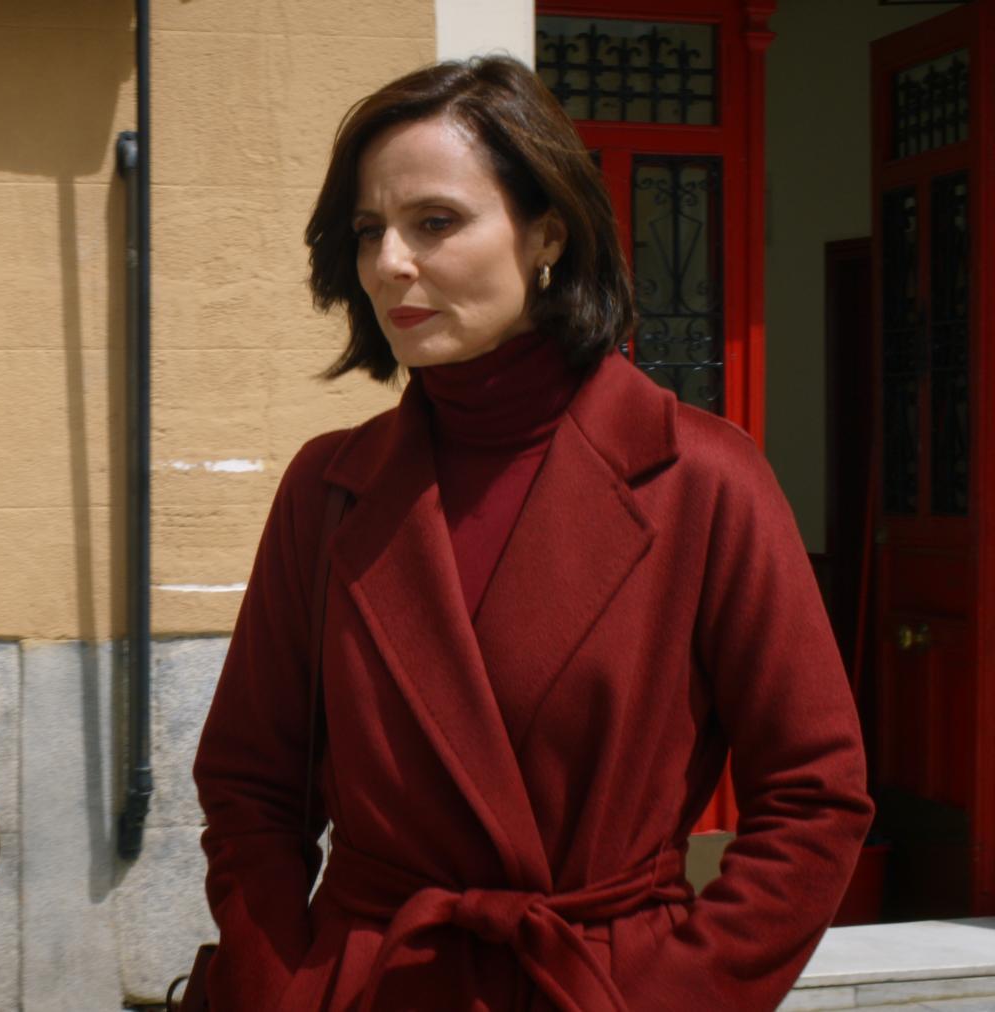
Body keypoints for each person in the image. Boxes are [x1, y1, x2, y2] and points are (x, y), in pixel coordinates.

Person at [192, 57, 871, 1011]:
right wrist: (286, 989)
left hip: (596, 986)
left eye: (435, 222)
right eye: (369, 230)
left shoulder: (702, 479)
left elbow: (815, 795)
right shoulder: (329, 488)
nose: (390, 263)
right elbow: (249, 786)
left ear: (547, 231)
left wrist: (672, 996)